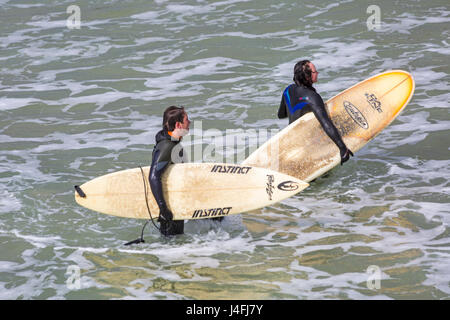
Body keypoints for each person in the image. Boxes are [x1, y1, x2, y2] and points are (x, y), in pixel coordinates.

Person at [278, 60, 353, 165]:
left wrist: (297, 110)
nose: (317, 73)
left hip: (292, 142)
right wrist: (342, 148)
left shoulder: (288, 90)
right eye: (314, 71)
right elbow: (326, 124)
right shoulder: (312, 97)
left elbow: (281, 115)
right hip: (308, 147)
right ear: (307, 77)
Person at [149, 106, 190, 236]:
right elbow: (154, 176)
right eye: (187, 120)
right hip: (169, 211)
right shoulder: (167, 147)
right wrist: (163, 209)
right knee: (172, 244)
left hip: (175, 206)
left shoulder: (173, 143)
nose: (189, 123)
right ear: (178, 124)